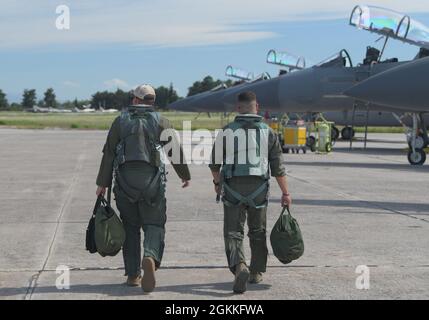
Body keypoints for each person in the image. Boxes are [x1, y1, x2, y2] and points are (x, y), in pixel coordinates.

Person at [95, 84, 191, 293]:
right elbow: (174, 151)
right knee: (154, 224)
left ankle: (132, 275)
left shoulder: (120, 121)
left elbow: (109, 153)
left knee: (130, 227)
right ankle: (150, 256)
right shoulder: (161, 121)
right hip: (152, 185)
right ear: (152, 101)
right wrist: (185, 176)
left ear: (135, 100)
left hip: (124, 185)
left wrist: (102, 184)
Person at [209, 91, 292, 294]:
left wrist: (217, 183)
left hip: (232, 188)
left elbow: (214, 163)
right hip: (259, 190)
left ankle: (239, 266)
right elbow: (278, 168)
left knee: (233, 232)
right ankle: (255, 272)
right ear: (258, 106)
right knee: (258, 231)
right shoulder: (268, 132)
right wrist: (286, 193)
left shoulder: (227, 131)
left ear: (238, 108)